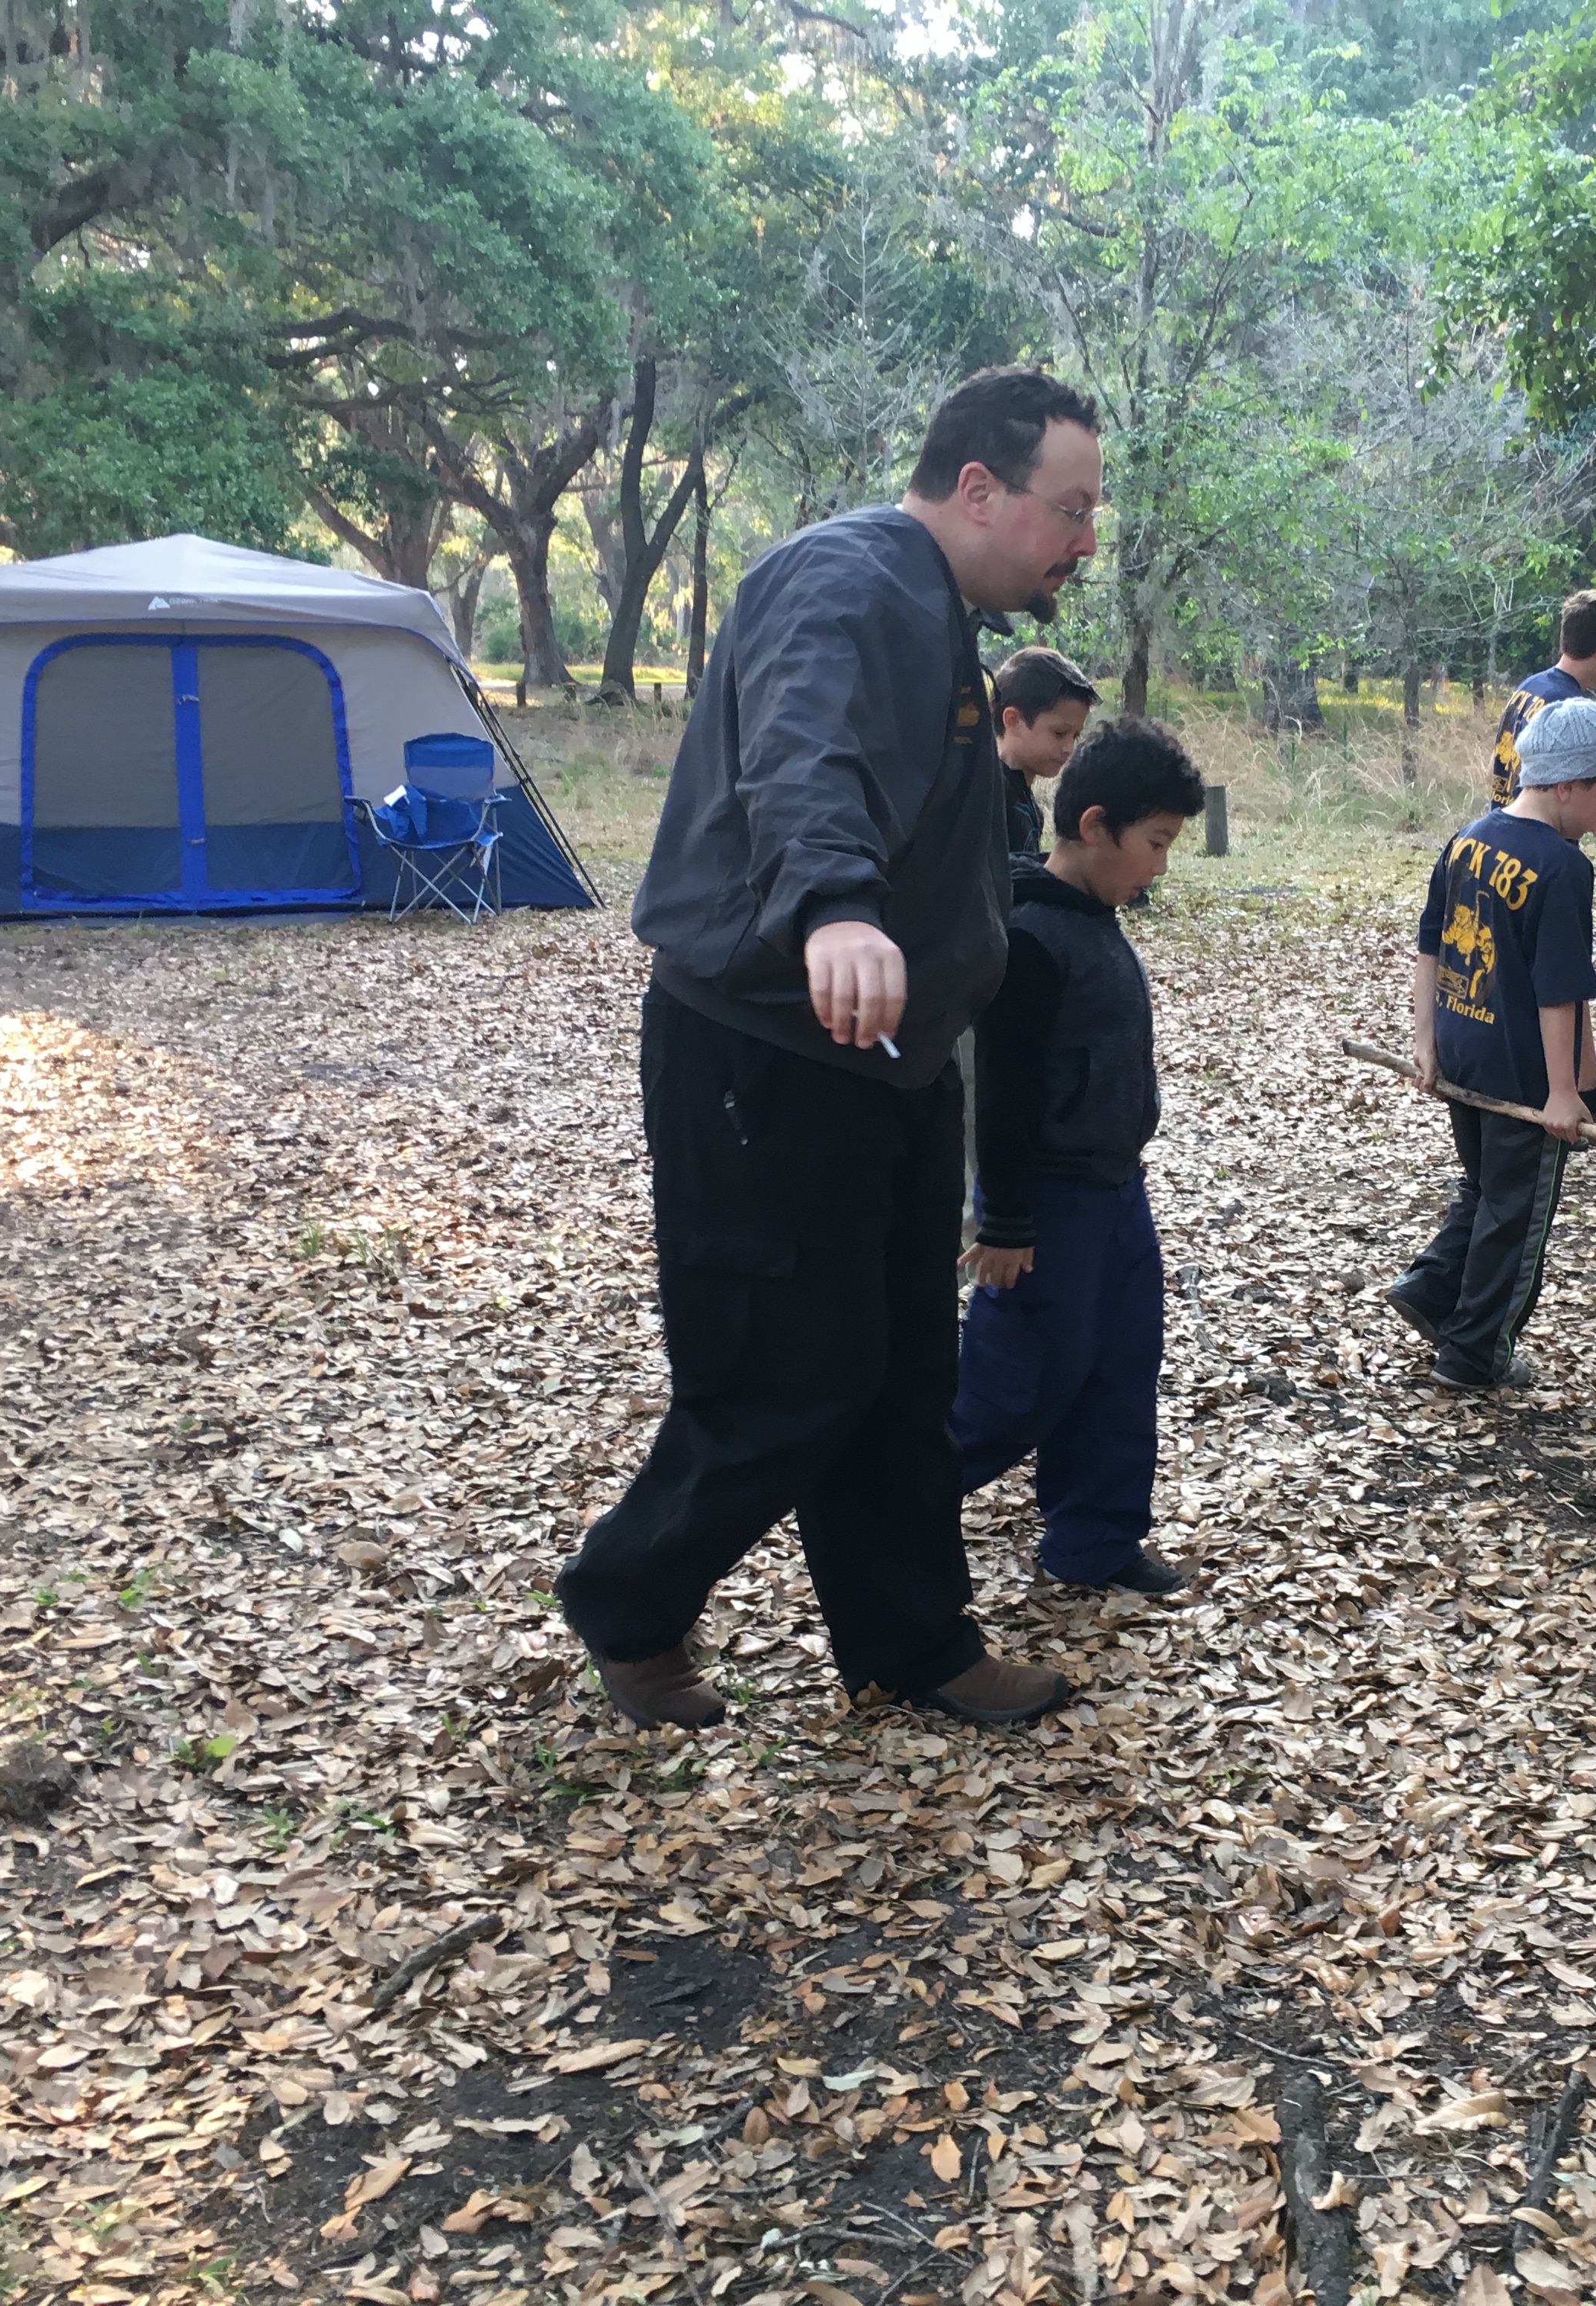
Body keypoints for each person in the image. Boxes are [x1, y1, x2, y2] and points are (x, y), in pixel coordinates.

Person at [556, 365, 1106, 1732]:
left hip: (897, 1062)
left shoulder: (942, 616)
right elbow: (803, 754)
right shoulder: (845, 582)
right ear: (977, 487)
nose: (1083, 541)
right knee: (782, 1371)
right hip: (770, 1048)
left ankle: (909, 1641)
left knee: (903, 1370)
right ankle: (628, 1602)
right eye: (1070, 508)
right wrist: (837, 907)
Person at [954, 719, 1202, 1595]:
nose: (1161, 866)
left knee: (1119, 1365)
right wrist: (1009, 1219)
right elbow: (1006, 1092)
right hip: (1046, 1204)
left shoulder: (1097, 918)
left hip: (1114, 1191)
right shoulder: (1030, 932)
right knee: (1015, 1383)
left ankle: (1094, 1540)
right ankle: (900, 1500)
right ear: (1095, 826)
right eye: (1156, 843)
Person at [1389, 698, 1596, 1391]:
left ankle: (1434, 1290)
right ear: (1567, 785)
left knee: (1483, 1186)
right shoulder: (1562, 868)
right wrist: (1564, 1092)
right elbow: (1559, 992)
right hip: (1523, 1075)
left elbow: (1430, 947)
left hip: (1465, 1052)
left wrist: (1428, 1045)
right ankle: (1474, 1354)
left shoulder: (1469, 837)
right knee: (1517, 1211)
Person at [1489, 588, 1596, 1119]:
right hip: (1545, 855)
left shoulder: (1528, 690)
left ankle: (1589, 1081)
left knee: (1563, 970)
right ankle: (1560, 1087)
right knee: (1558, 976)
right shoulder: (1574, 711)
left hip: (1501, 837)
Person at [990, 645, 1097, 855]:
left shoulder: (1025, 800)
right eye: (1059, 733)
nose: (1069, 748)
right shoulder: (991, 797)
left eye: (1075, 736)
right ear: (1014, 720)